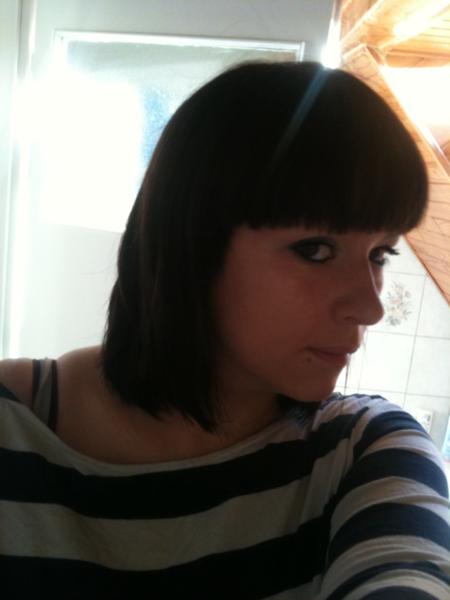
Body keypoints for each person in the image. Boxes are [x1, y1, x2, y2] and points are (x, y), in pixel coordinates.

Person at [0, 61, 449, 599]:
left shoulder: (365, 452)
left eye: (380, 254)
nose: (370, 308)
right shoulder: (11, 425)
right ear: (190, 245)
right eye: (315, 249)